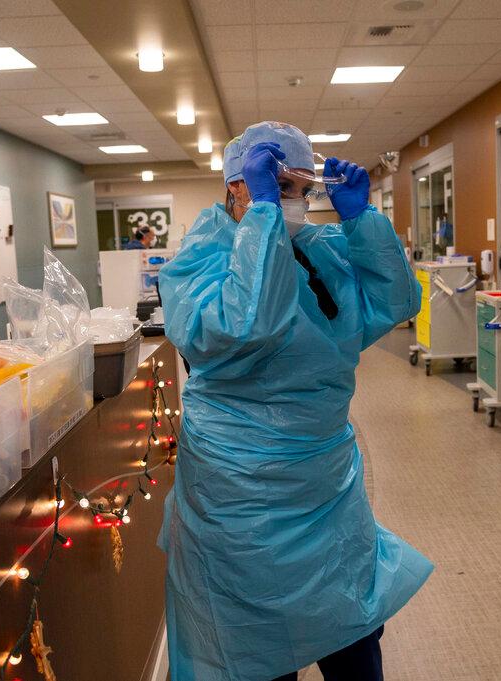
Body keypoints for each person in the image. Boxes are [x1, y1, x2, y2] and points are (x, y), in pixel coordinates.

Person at [158, 121, 433, 681]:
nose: (293, 203)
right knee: (251, 643)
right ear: (235, 187)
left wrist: (362, 222)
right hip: (236, 493)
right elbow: (243, 327)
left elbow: (397, 300)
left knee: (352, 630)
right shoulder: (198, 261)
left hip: (325, 482)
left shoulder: (321, 251)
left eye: (300, 190)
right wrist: (263, 216)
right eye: (279, 187)